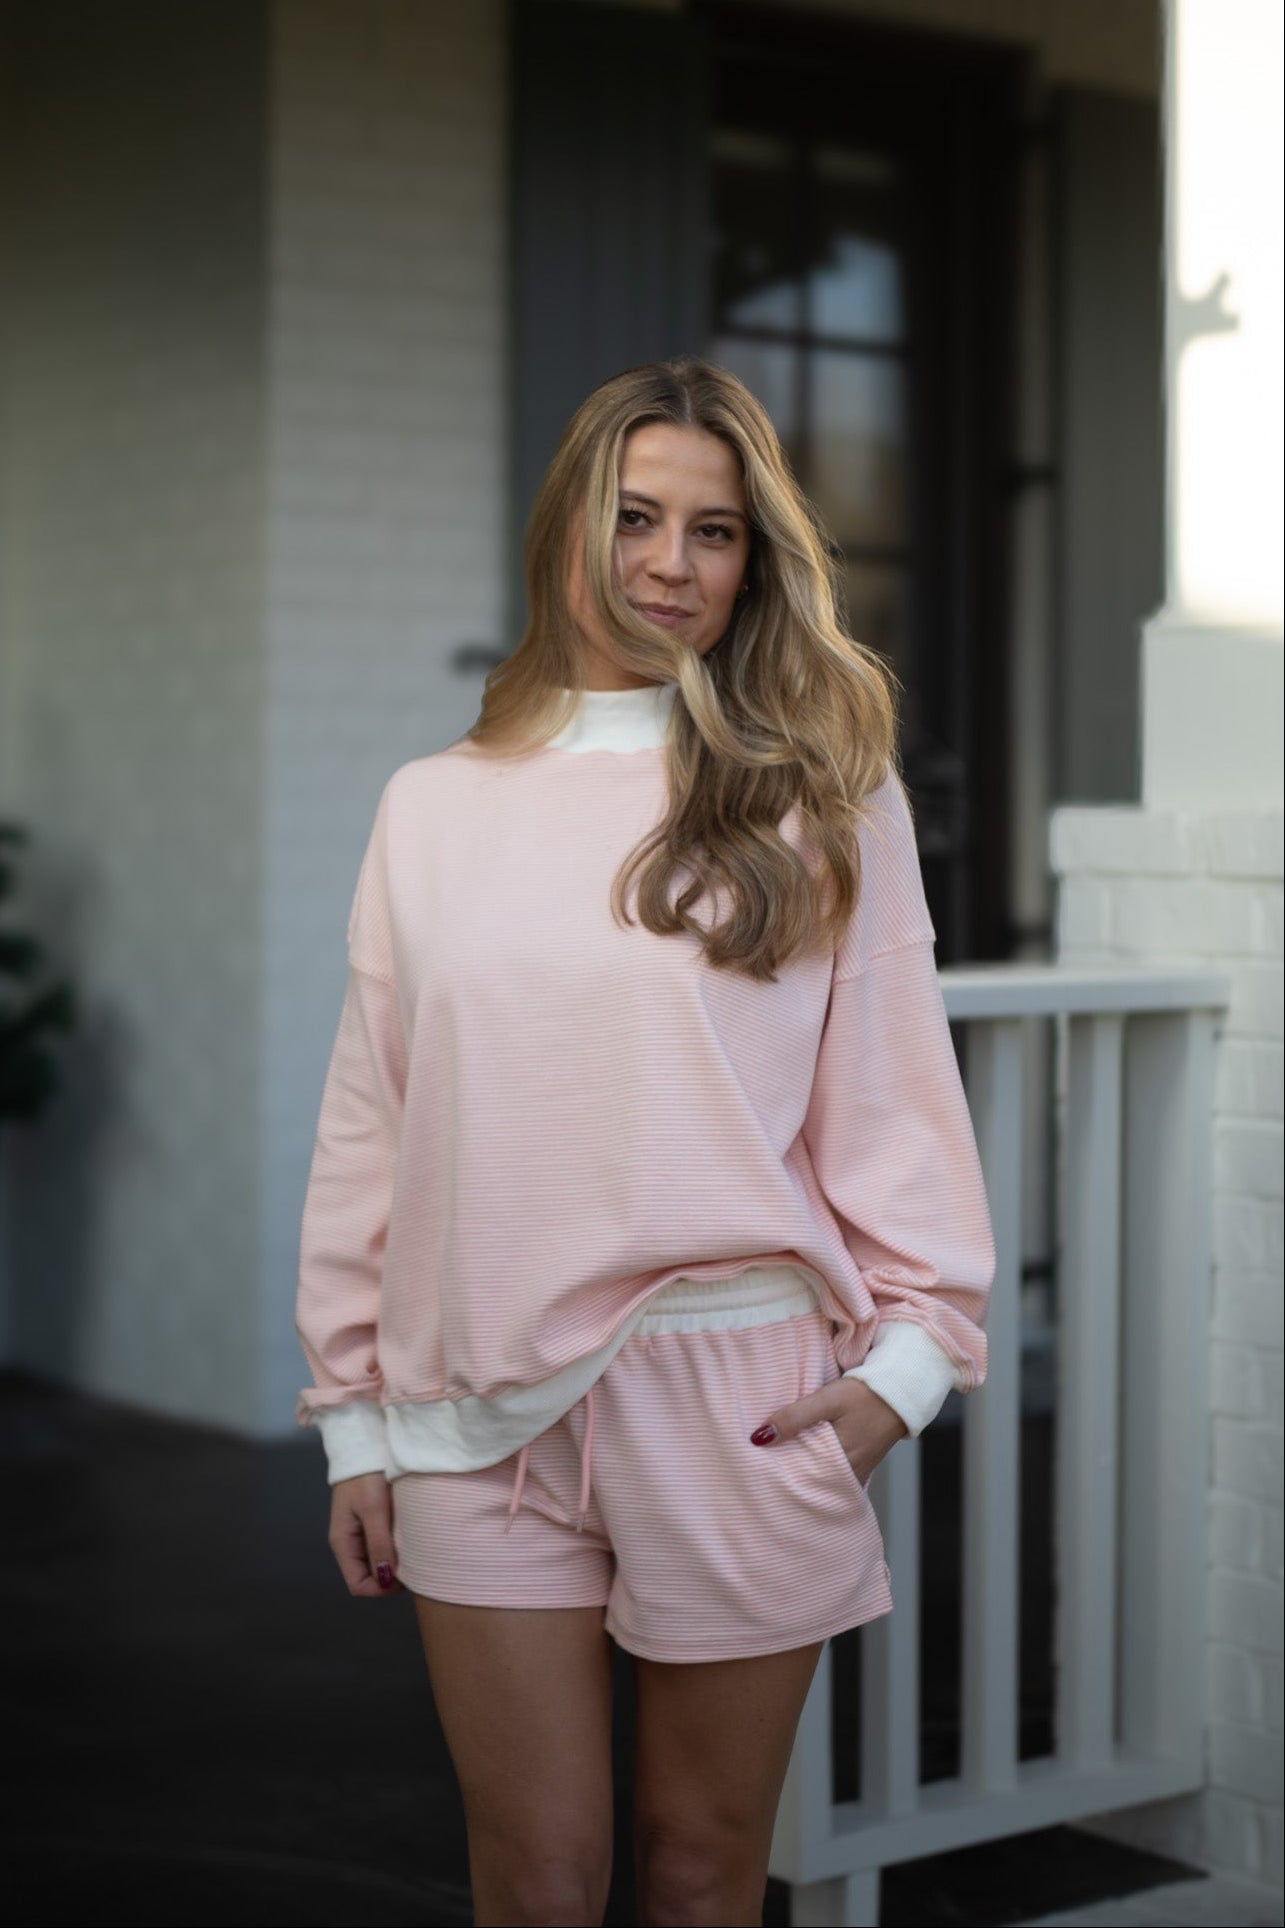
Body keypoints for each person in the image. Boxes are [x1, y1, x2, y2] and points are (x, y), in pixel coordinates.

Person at [294, 358, 996, 1928]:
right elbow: (375, 1119)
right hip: (472, 1403)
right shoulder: (430, 804)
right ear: (566, 528)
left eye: (714, 531)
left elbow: (892, 1103)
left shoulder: (821, 793)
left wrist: (900, 1374)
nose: (670, 565)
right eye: (632, 518)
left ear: (755, 563)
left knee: (698, 1876)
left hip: (737, 1397)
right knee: (533, 1883)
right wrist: (354, 1410)